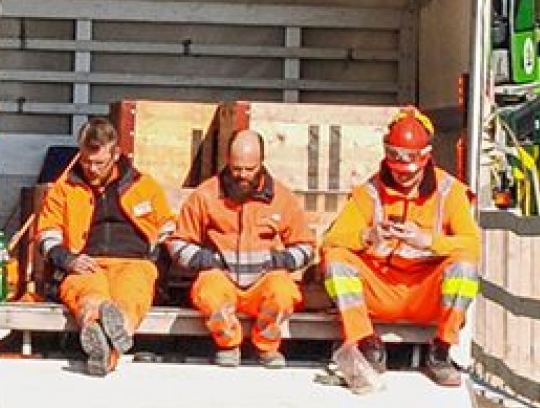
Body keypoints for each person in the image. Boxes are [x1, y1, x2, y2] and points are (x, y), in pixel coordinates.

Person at [320, 107, 480, 389]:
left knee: (465, 267)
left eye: (410, 172)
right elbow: (330, 241)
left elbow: (473, 245)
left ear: (426, 157)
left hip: (426, 293)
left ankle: (441, 351)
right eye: (396, 170)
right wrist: (367, 235)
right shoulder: (370, 192)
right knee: (336, 260)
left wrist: (428, 241)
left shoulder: (449, 191)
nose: (403, 178)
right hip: (380, 292)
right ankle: (367, 342)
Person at [36, 116, 174, 375]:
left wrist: (159, 256)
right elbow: (46, 235)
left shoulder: (144, 186)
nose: (92, 168)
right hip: (84, 263)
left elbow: (168, 227)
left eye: (99, 163)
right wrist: (68, 259)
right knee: (89, 294)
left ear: (116, 154)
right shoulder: (63, 189)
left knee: (131, 294)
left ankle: (104, 341)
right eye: (86, 161)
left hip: (135, 263)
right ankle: (102, 333)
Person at [164, 129, 314, 367]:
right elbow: (178, 243)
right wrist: (206, 260)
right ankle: (228, 345)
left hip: (263, 283)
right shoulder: (206, 195)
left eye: (249, 169)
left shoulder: (283, 198)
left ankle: (266, 347)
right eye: (236, 168)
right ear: (228, 160)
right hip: (222, 280)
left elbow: (306, 246)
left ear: (262, 163)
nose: (242, 175)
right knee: (209, 292)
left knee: (284, 293)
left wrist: (280, 261)